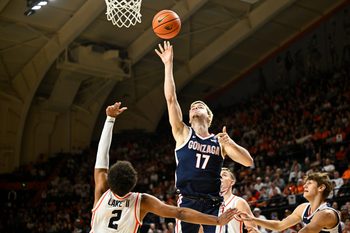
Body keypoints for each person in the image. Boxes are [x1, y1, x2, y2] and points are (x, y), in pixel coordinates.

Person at [91, 102, 238, 233]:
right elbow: (180, 213)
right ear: (134, 182)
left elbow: (101, 158)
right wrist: (217, 220)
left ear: (109, 179)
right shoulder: (142, 200)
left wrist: (110, 119)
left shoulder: (102, 192)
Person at [155, 41, 253, 233]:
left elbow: (248, 162)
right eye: (192, 106)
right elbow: (171, 98)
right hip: (187, 201)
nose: (194, 106)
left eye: (199, 105)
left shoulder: (219, 141)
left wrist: (230, 142)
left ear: (209, 116)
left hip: (213, 204)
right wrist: (168, 65)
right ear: (189, 117)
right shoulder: (183, 133)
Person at [238, 172, 342, 233]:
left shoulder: (326, 214)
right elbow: (279, 225)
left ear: (321, 187)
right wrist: (253, 219)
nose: (304, 186)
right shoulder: (303, 208)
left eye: (309, 183)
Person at [218, 167, 256, 233]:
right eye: (219, 176)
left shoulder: (238, 202)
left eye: (224, 175)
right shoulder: (211, 203)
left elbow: (253, 229)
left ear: (232, 182)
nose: (221, 177)